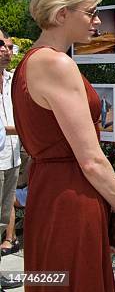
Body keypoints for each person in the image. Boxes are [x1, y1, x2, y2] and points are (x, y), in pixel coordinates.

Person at [11, 0, 115, 291]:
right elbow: (90, 159)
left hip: (47, 193)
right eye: (91, 13)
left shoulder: (29, 63)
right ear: (62, 12)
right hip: (70, 198)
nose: (97, 22)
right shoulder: (56, 64)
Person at [0, 30, 23, 289]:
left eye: (9, 46)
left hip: (12, 157)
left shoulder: (12, 80)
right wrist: (23, 128)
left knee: (3, 218)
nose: (6, 50)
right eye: (1, 46)